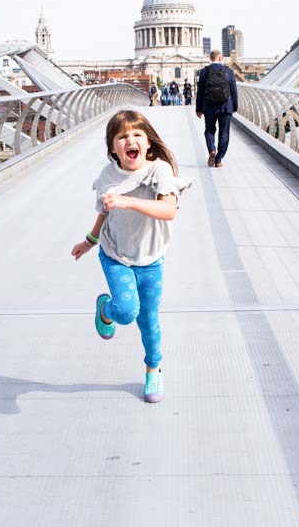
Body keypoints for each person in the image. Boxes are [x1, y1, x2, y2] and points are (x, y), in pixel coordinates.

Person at [71, 110, 191, 403]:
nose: (130, 140)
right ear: (113, 148)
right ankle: (106, 310)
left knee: (149, 321)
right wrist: (90, 240)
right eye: (122, 136)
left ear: (148, 143)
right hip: (115, 255)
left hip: (151, 259)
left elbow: (169, 211)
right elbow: (104, 212)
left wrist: (128, 201)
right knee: (126, 312)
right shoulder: (107, 176)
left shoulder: (159, 171)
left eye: (137, 135)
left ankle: (153, 370)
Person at [195, 50, 238, 168]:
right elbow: (233, 90)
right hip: (226, 106)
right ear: (220, 58)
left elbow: (200, 92)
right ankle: (218, 160)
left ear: (210, 58)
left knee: (209, 130)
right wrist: (234, 106)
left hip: (209, 106)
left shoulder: (204, 72)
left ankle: (212, 150)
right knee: (224, 133)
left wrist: (198, 108)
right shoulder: (228, 71)